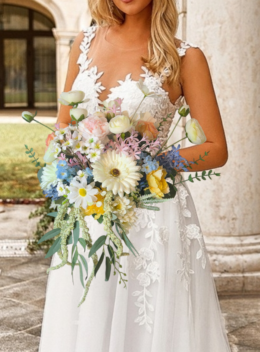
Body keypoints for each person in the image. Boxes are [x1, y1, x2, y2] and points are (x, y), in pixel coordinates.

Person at [39, 0, 231, 351]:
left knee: (147, 323)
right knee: (89, 313)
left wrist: (148, 163)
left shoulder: (185, 58)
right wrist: (64, 152)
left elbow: (216, 148)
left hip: (151, 216)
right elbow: (64, 122)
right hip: (89, 210)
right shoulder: (83, 44)